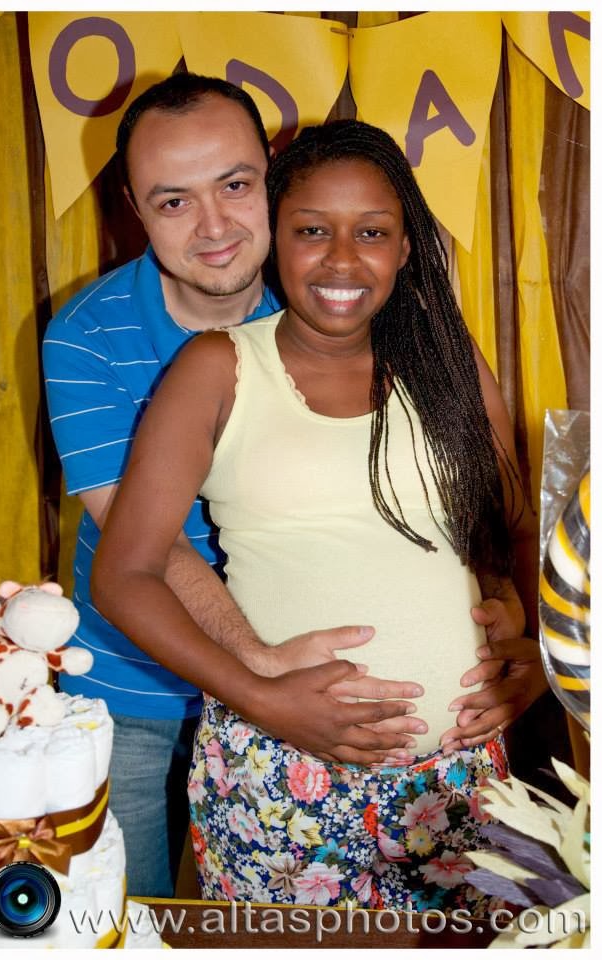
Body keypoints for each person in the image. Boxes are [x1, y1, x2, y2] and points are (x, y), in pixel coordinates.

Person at [91, 119, 547, 913]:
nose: (342, 259)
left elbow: (514, 529)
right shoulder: (219, 367)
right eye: (311, 231)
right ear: (276, 238)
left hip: (460, 782)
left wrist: (537, 655)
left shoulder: (448, 362)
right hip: (281, 780)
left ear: (405, 249)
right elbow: (124, 574)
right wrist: (260, 696)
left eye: (371, 232)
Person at [44, 75, 446, 897]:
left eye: (234, 185)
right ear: (134, 208)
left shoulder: (338, 297)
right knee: (127, 915)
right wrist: (258, 673)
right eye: (174, 202)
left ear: (273, 174)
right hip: (134, 682)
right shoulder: (83, 335)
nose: (216, 227)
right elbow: (144, 546)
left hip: (309, 692)